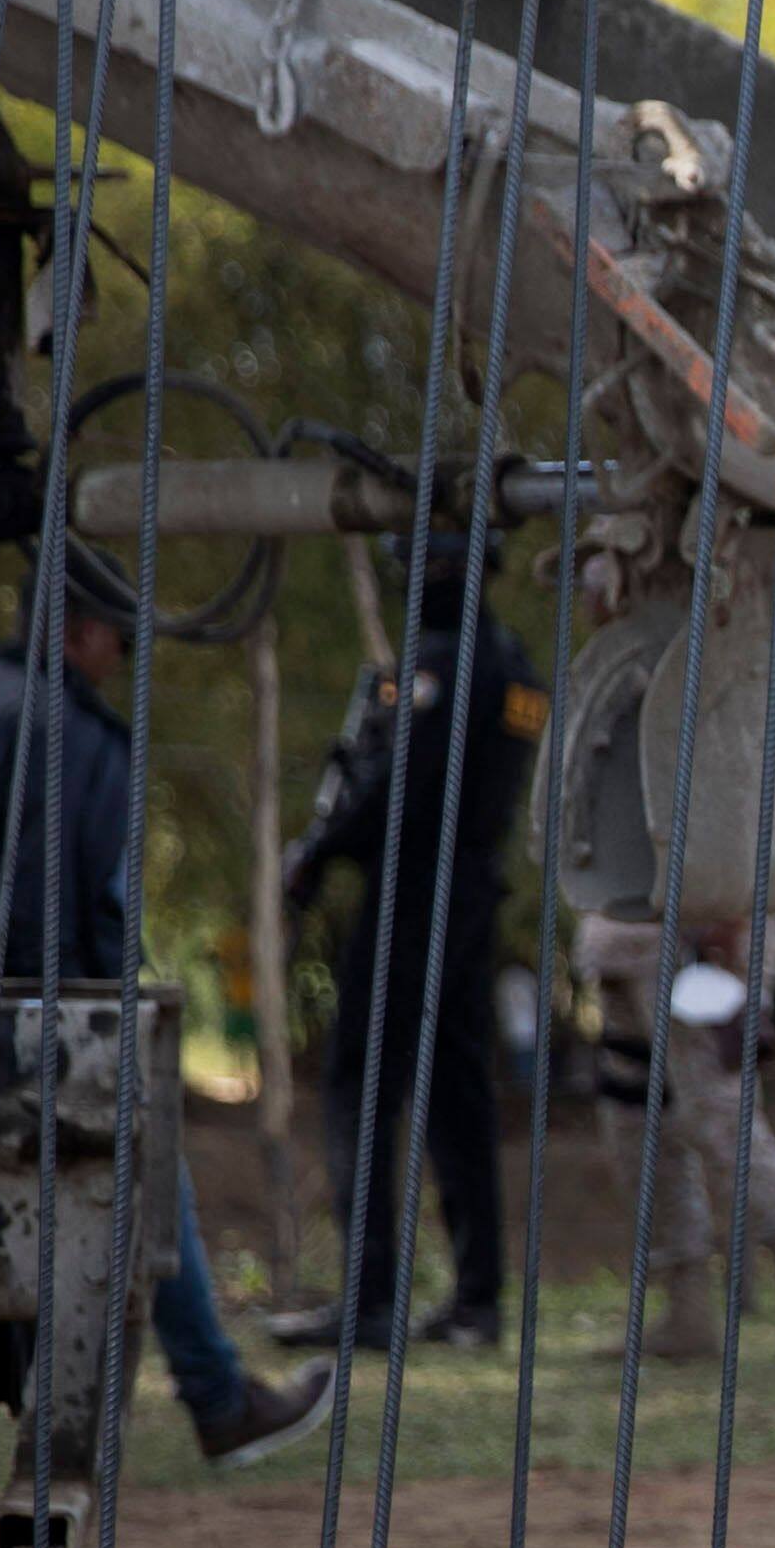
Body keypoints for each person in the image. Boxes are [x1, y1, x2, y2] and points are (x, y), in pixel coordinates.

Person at [0, 535, 331, 1488]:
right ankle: (217, 1399)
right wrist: (108, 1025)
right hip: (42, 1023)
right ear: (79, 634)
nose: (119, 658)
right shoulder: (77, 738)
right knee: (137, 1180)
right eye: (115, 639)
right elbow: (88, 904)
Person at [271, 529, 540, 1353]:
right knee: (457, 1089)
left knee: (361, 1080)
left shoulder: (434, 664)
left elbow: (396, 786)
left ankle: (372, 1296)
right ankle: (477, 1299)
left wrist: (317, 852)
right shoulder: (518, 665)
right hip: (473, 894)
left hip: (414, 892)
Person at [574, 911, 775, 1362]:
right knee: (637, 1129)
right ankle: (686, 1310)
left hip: (697, 940)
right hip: (618, 943)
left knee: (720, 1120)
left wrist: (727, 920)